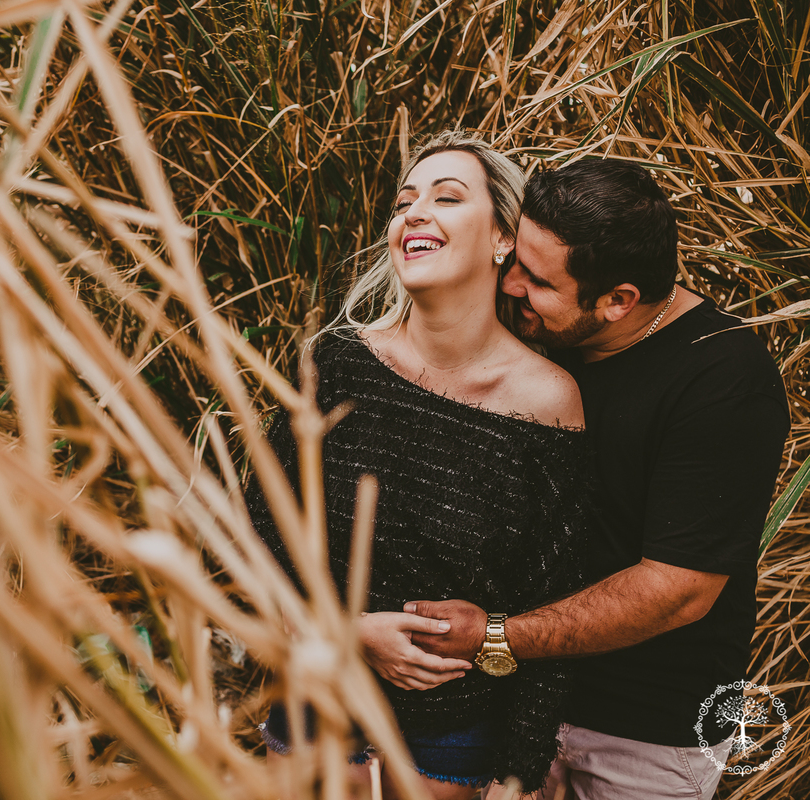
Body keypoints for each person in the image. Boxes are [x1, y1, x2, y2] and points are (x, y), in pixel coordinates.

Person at [403, 159, 791, 800]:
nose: (512, 286)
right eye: (515, 260)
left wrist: (496, 637)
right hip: (517, 701)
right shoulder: (537, 334)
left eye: (538, 279)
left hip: (644, 730)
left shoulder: (723, 383)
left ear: (618, 302)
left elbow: (676, 589)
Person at [249, 130, 588, 799]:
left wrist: (517, 773)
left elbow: (551, 599)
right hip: (315, 720)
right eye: (405, 202)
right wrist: (346, 633)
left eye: (448, 197)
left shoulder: (549, 403)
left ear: (502, 241)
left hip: (452, 749)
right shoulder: (339, 362)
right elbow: (262, 530)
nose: (414, 213)